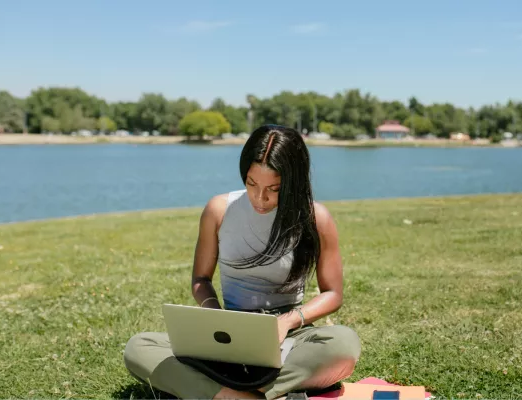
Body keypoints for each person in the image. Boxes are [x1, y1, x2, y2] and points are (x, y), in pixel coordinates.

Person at [123, 125, 362, 400]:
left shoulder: (316, 218)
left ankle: (216, 392)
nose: (260, 199)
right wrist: (214, 314)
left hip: (289, 337)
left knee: (343, 345)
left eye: (274, 189)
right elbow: (201, 280)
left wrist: (287, 322)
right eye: (251, 184)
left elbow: (333, 294)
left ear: (293, 182)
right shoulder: (219, 210)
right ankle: (244, 396)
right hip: (227, 334)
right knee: (139, 347)